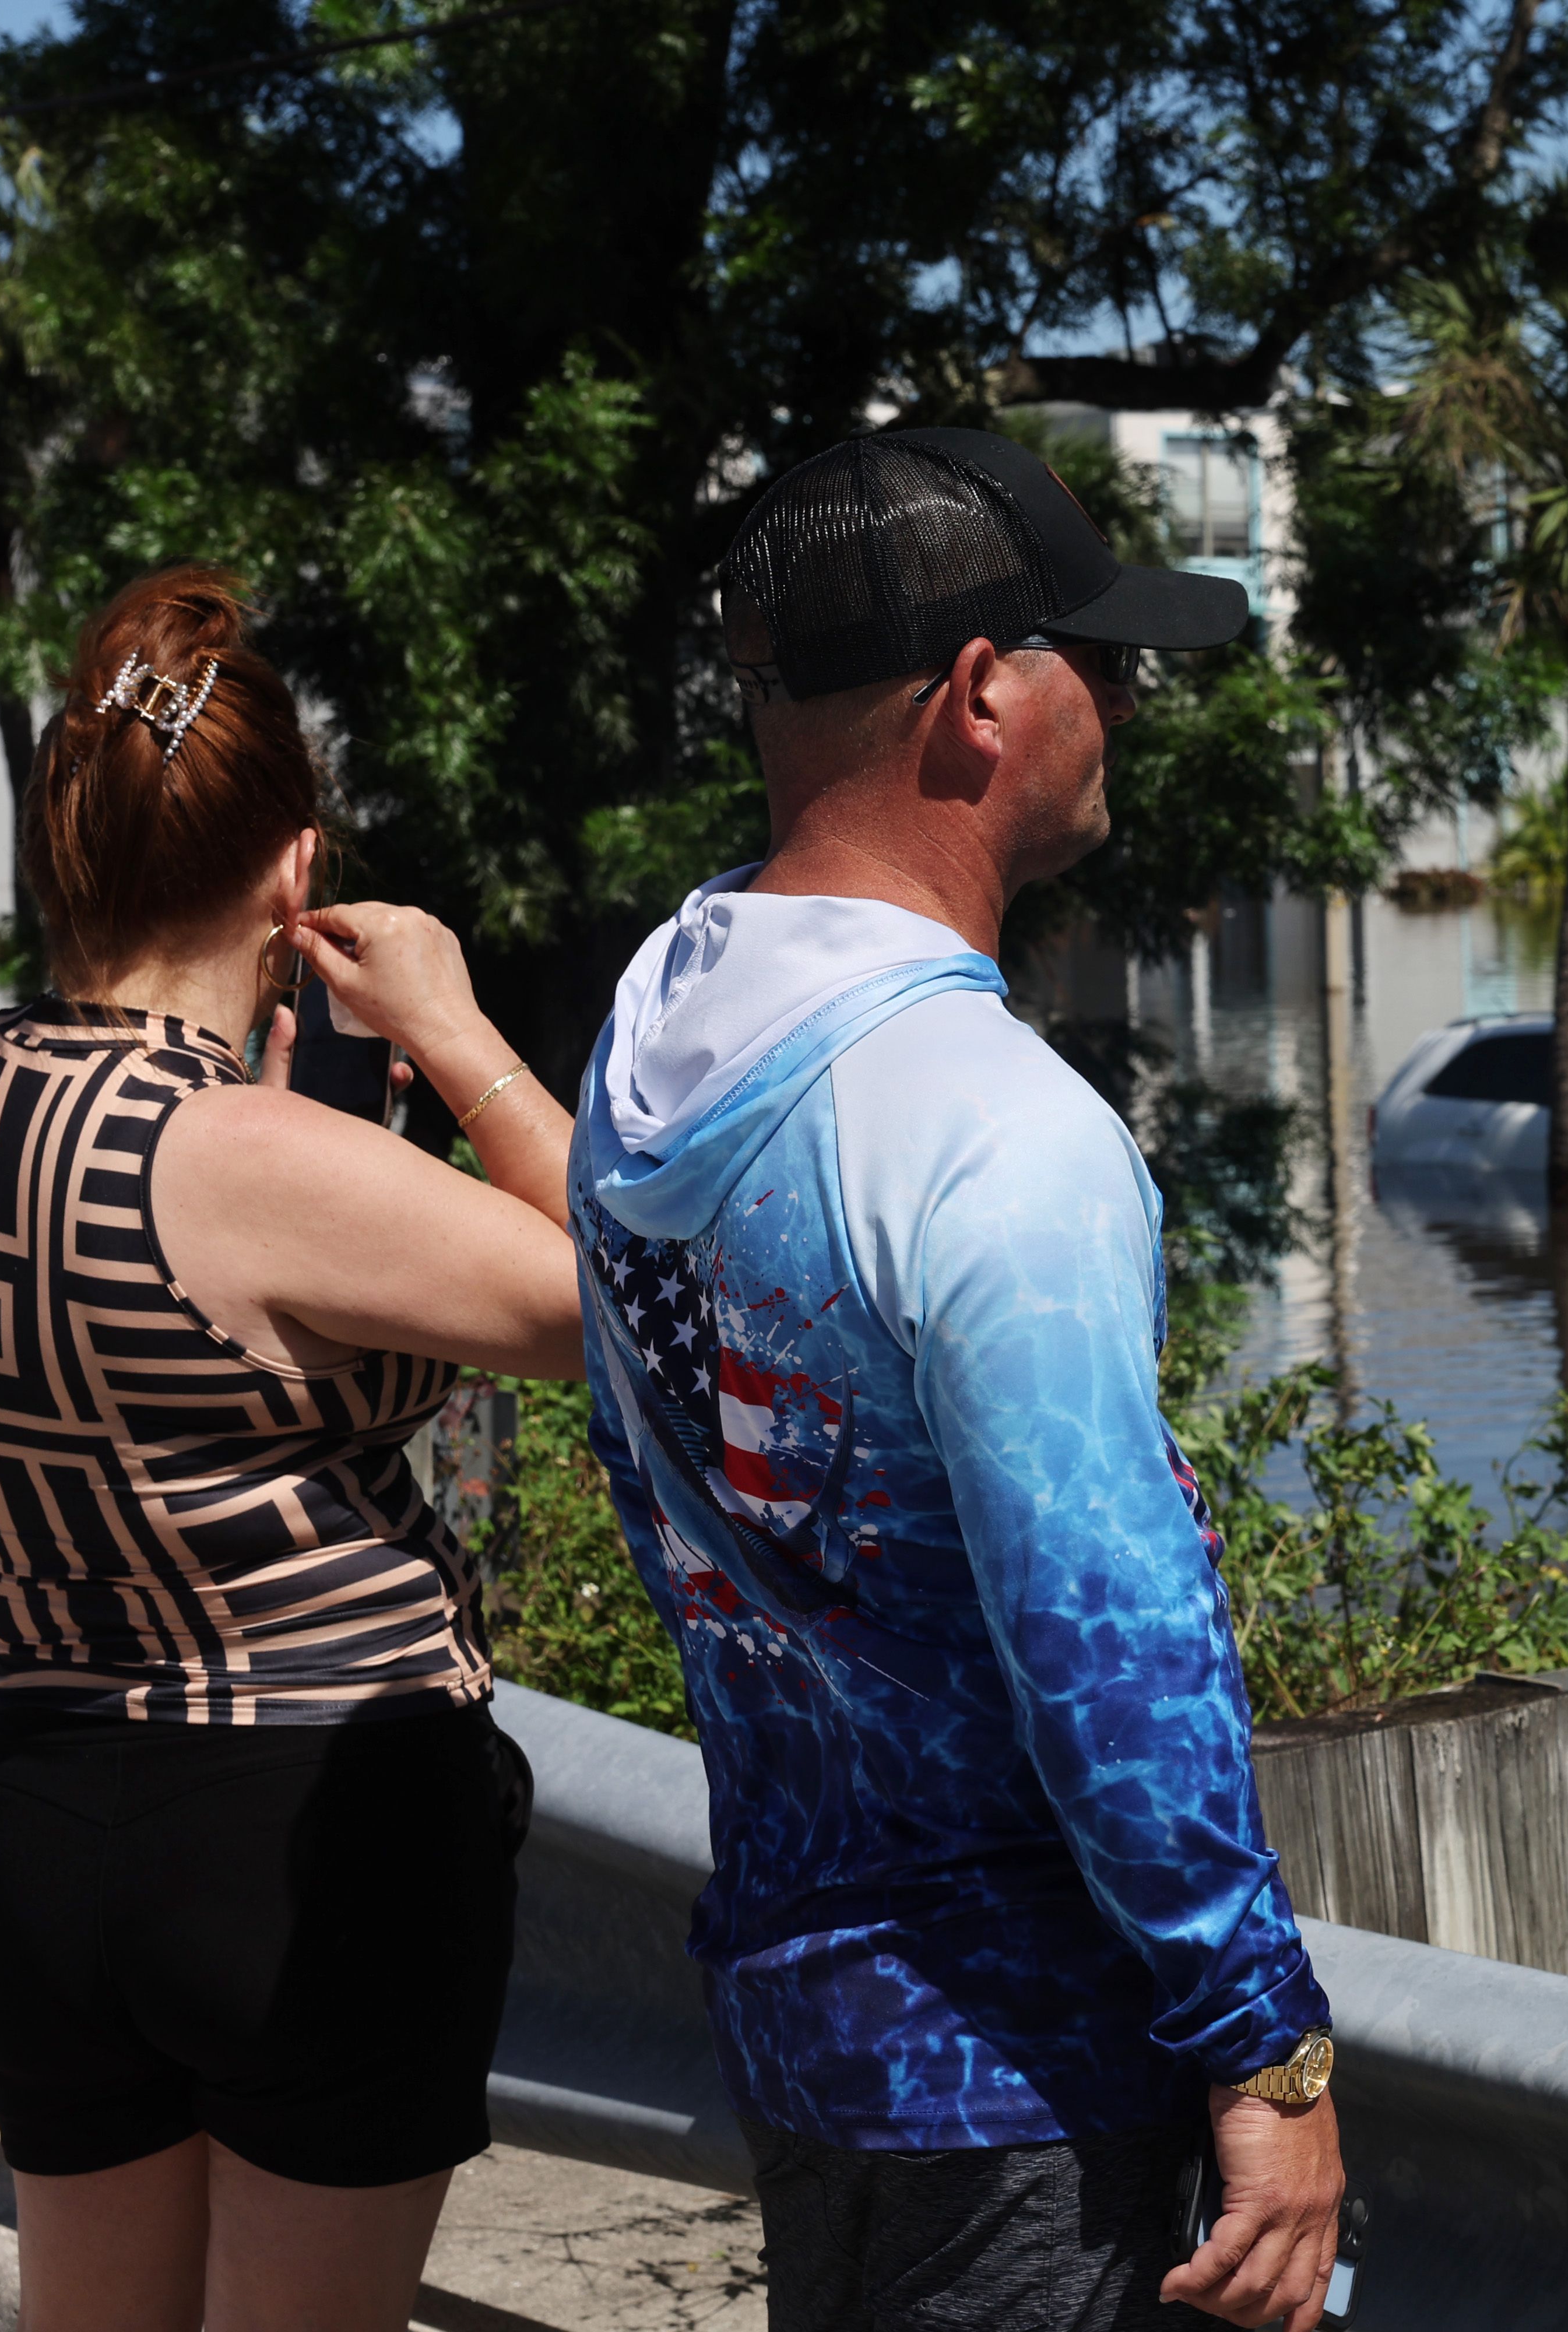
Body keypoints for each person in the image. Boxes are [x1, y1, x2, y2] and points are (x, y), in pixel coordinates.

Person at [566, 429, 1341, 2332]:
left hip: (801, 2023)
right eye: (1106, 661)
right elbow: (1110, 1642)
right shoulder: (994, 1132)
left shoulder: (657, 1024)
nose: (1129, 703)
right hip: (1028, 2078)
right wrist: (1269, 2054)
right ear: (987, 698)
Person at [0, 566, 583, 2332]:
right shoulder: (257, 1161)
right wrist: (453, 1036)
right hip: (311, 1824)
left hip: (53, 1812)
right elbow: (626, 1306)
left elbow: (145, 1358)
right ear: (294, 873)